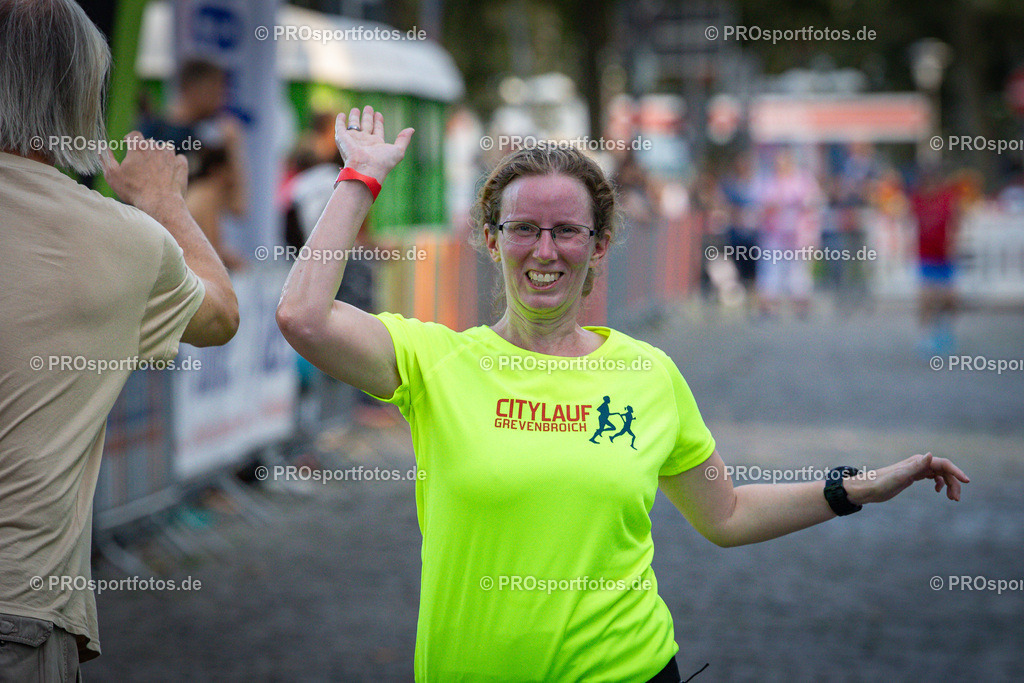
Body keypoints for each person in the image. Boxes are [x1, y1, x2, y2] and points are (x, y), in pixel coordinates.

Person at [277, 105, 970, 682]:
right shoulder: (436, 359)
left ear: (600, 245)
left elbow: (724, 513)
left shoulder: (649, 373)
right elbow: (304, 317)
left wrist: (858, 488)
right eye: (523, 228)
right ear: (491, 240)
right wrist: (359, 178)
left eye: (567, 231)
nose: (544, 250)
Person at [0, 1, 238, 678]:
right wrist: (164, 203)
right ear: (84, 93)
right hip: (21, 604)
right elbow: (221, 314)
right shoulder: (121, 238)